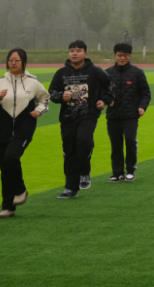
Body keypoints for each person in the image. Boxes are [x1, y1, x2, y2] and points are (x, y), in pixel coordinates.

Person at [0, 48, 49, 218]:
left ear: (24, 62)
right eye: (10, 60)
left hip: (23, 129)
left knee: (11, 157)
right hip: (1, 129)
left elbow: (44, 99)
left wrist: (39, 110)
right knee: (5, 170)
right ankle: (8, 207)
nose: (13, 63)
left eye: (17, 60)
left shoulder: (33, 82)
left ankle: (20, 190)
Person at [48, 40, 113, 199]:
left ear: (85, 53)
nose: (75, 53)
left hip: (88, 114)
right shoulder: (61, 73)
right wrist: (61, 96)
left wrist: (104, 100)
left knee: (83, 140)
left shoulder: (96, 71)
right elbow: (51, 93)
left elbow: (110, 86)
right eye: (72, 50)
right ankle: (71, 188)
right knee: (69, 151)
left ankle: (85, 171)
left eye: (78, 50)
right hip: (68, 117)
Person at [104, 43, 151, 183]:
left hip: (130, 115)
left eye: (125, 55)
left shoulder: (137, 73)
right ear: (114, 56)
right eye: (119, 55)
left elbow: (146, 93)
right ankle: (117, 173)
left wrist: (142, 106)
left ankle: (130, 170)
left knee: (130, 141)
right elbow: (101, 92)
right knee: (116, 145)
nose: (122, 58)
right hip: (113, 116)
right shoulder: (107, 73)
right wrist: (107, 100)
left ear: (129, 56)